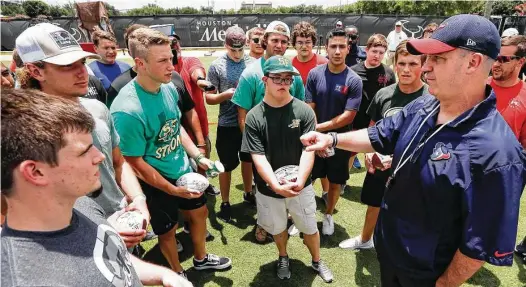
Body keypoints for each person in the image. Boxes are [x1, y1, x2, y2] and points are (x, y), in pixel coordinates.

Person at [300, 14, 526, 287]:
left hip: (424, 273)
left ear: (474, 62)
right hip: (390, 250)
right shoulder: (426, 105)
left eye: (438, 59)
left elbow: (479, 244)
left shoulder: (498, 153)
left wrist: (443, 284)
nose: (425, 68)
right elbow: (379, 134)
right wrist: (332, 140)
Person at [1, 88, 192, 287]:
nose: (100, 157)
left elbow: (111, 263)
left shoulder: (80, 204)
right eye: (84, 152)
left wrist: (162, 275)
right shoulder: (30, 278)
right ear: (35, 172)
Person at [15, 23, 150, 249]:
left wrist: (138, 198)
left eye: (82, 62)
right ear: (36, 71)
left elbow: (118, 162)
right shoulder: (22, 130)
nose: (82, 72)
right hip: (75, 243)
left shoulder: (97, 109)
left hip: (123, 222)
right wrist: (94, 230)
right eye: (67, 65)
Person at [110, 28, 232, 277]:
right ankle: (177, 272)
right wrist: (171, 189)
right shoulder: (126, 109)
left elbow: (175, 129)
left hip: (182, 171)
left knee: (200, 212)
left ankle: (200, 260)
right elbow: (132, 162)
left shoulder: (167, 87)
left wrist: (198, 156)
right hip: (155, 182)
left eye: (172, 57)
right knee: (167, 231)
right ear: (140, 63)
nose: (172, 66)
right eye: (163, 60)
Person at [241, 55, 333, 282]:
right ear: (265, 79)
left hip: (300, 185)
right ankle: (283, 256)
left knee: (309, 226)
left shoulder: (304, 111)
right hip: (268, 188)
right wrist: (274, 185)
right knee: (278, 228)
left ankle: (317, 260)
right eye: (277, 78)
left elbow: (308, 151)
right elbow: (258, 157)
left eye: (287, 79)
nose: (283, 83)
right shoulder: (254, 116)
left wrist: (300, 182)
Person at [339, 40, 429, 250]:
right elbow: (373, 130)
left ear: (423, 66)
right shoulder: (384, 94)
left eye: (413, 64)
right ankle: (365, 239)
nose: (406, 69)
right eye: (402, 63)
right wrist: (370, 154)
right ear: (395, 65)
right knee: (374, 203)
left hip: (411, 170)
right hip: (380, 164)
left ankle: (400, 246)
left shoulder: (431, 97)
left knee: (408, 209)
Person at [231, 20, 305, 242]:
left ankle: (288, 217)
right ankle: (263, 223)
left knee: (290, 180)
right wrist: (257, 149)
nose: (280, 45)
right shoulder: (251, 74)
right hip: (262, 147)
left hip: (289, 144)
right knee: (264, 188)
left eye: (284, 41)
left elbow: (300, 110)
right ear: (265, 41)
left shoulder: (294, 75)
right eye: (275, 40)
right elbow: (242, 116)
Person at [305, 29, 363, 236]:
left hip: (340, 141)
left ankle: (328, 215)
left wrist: (322, 131)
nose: (337, 51)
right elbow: (309, 106)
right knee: (306, 179)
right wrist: (315, 133)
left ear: (348, 49)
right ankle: (302, 216)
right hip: (313, 138)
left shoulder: (354, 80)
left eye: (341, 47)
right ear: (327, 49)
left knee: (336, 182)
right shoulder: (314, 74)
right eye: (333, 46)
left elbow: (349, 116)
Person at [205, 26, 255, 222]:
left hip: (249, 123)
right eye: (232, 49)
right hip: (226, 124)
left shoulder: (252, 63)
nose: (236, 54)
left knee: (248, 160)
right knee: (225, 166)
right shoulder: (216, 66)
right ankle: (225, 201)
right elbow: (209, 98)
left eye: (240, 49)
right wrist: (226, 95)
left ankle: (248, 192)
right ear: (225, 46)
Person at [487, 35, 526, 263]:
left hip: (503, 174)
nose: (496, 63)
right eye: (495, 57)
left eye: (503, 58)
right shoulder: (479, 85)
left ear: (520, 62)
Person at [170, 30, 219, 196]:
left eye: (174, 43)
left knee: (202, 163)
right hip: (174, 133)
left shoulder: (190, 60)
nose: (172, 47)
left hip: (198, 127)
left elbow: (196, 72)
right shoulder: (164, 71)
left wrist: (201, 81)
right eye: (168, 44)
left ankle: (204, 185)